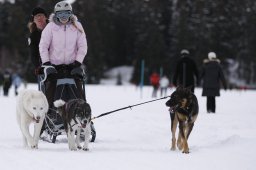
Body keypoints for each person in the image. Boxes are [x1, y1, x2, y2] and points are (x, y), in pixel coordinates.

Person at [39, 1, 87, 106]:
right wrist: (47, 63)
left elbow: (83, 46)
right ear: (56, 14)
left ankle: (83, 113)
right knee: (50, 92)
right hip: (54, 67)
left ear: (71, 14)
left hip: (72, 66)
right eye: (60, 14)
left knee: (79, 93)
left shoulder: (77, 26)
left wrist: (77, 63)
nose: (63, 17)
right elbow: (43, 46)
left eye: (66, 13)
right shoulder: (50, 27)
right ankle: (48, 115)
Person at [28, 7, 48, 73]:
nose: (39, 18)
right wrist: (37, 66)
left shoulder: (54, 29)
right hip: (43, 66)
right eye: (36, 16)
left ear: (46, 17)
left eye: (41, 15)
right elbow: (33, 53)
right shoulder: (33, 36)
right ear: (33, 20)